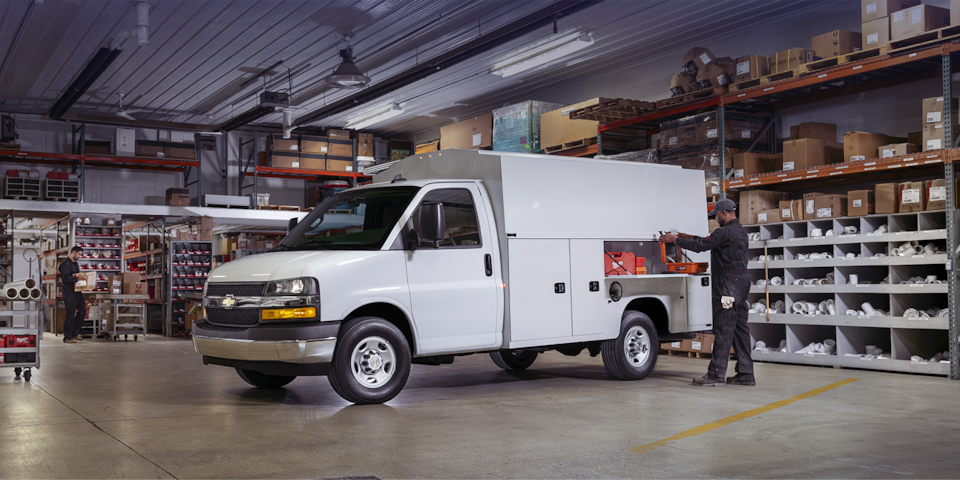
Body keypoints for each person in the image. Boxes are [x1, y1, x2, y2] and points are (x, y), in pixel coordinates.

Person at [659, 198, 753, 387]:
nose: (716, 218)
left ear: (724, 213)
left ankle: (716, 375)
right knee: (740, 329)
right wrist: (689, 237)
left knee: (724, 329)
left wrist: (675, 240)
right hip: (741, 285)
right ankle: (746, 373)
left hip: (727, 287)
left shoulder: (724, 231)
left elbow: (702, 246)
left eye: (716, 215)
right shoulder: (740, 231)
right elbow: (709, 241)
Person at [59, 246, 86, 343]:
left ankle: (75, 333)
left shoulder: (76, 264)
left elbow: (76, 276)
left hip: (77, 292)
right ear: (73, 252)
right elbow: (66, 278)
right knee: (70, 315)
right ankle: (67, 337)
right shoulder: (65, 264)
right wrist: (78, 278)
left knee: (83, 311)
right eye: (79, 254)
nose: (80, 256)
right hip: (69, 293)